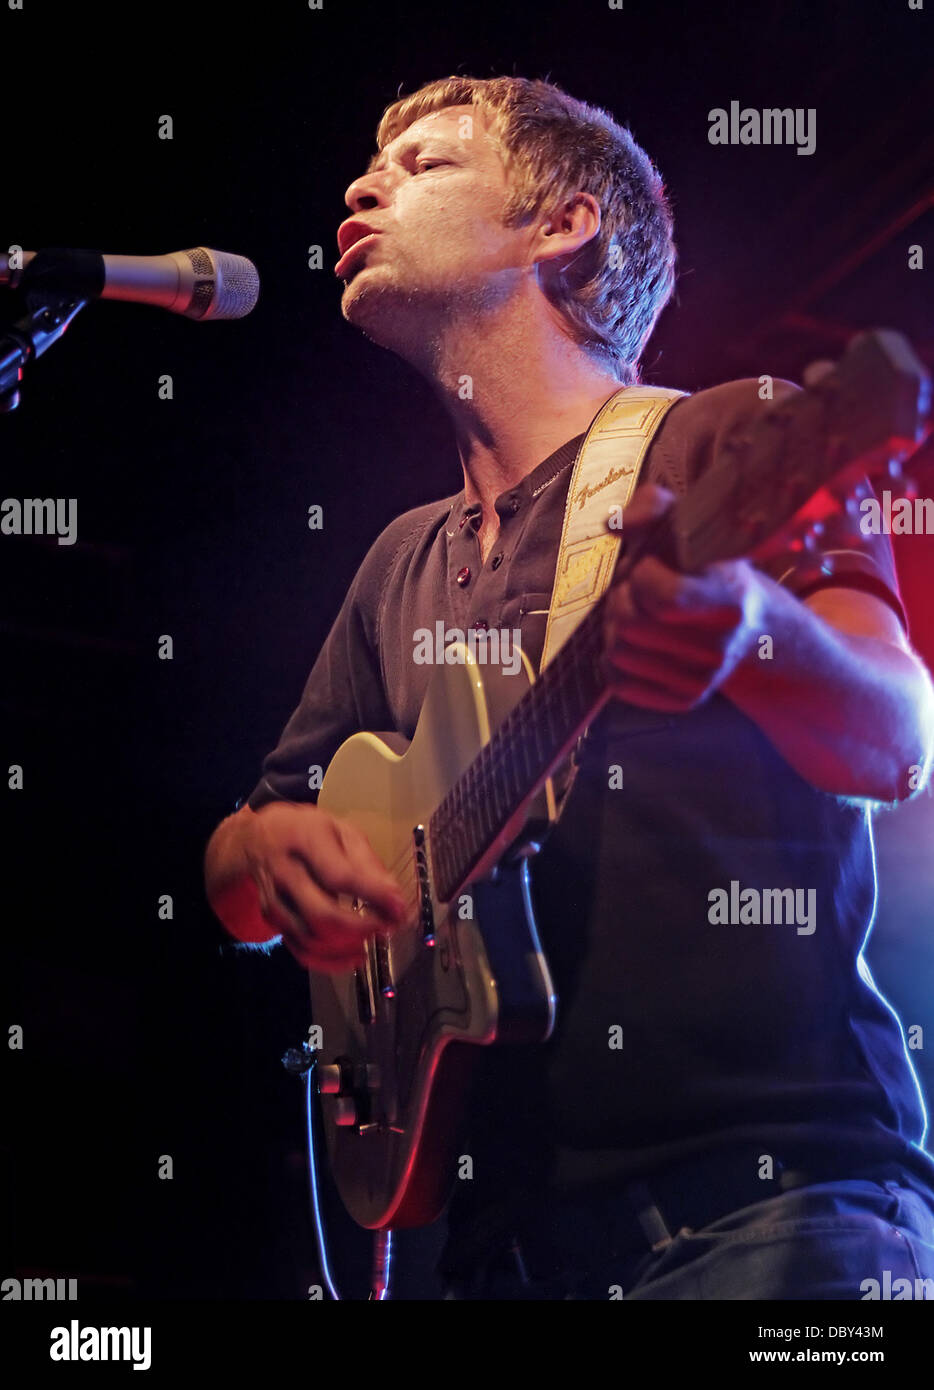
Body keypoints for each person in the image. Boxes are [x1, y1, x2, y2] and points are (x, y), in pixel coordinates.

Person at [204, 75, 934, 1299]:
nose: (363, 183)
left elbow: (899, 734)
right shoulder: (402, 562)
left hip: (768, 1215)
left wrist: (754, 630)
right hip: (507, 1261)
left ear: (563, 223)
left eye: (427, 162)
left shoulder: (719, 442)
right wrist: (260, 851)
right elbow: (239, 882)